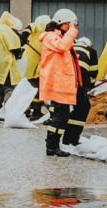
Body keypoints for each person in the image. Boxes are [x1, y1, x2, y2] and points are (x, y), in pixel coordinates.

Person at [38, 9, 79, 157]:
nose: (72, 28)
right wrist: (73, 31)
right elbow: (62, 46)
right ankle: (52, 146)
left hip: (61, 83)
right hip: (57, 84)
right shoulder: (51, 37)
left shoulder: (57, 37)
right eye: (69, 25)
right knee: (59, 117)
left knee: (61, 116)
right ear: (62, 23)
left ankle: (54, 145)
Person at [64, 36, 99, 146]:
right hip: (79, 81)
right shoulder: (91, 51)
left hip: (65, 80)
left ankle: (64, 138)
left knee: (67, 109)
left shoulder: (70, 47)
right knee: (83, 107)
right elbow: (93, 72)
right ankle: (72, 139)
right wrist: (90, 87)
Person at [23, 15, 50, 120]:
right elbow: (30, 26)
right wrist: (24, 35)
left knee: (35, 89)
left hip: (35, 65)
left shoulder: (44, 34)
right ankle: (35, 112)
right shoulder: (38, 27)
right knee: (37, 89)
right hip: (35, 66)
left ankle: (31, 111)